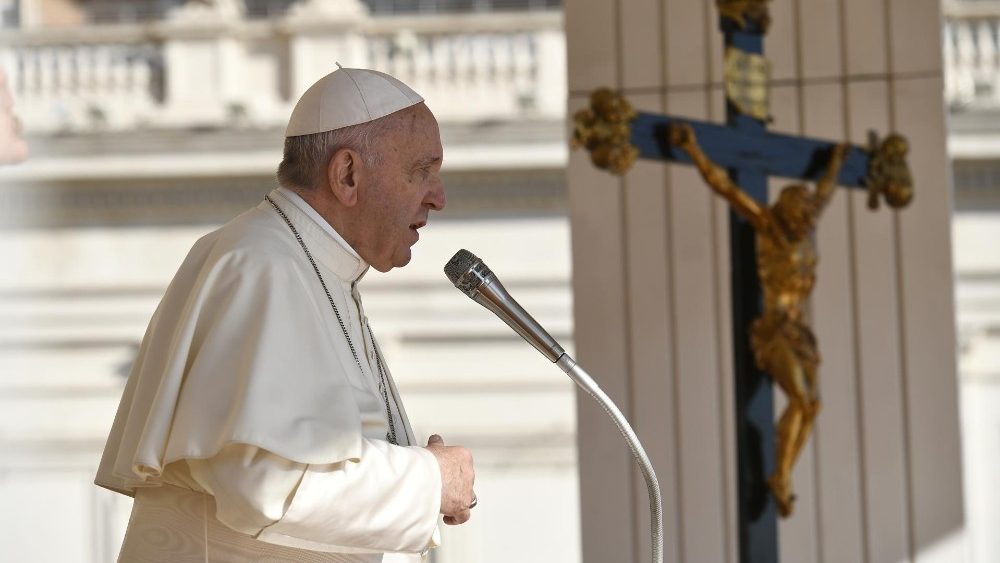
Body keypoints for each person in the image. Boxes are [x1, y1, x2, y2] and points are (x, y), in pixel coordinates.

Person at [95, 66, 476, 562]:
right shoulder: (262, 266)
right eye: (421, 171)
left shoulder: (315, 265)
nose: (439, 197)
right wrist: (428, 481)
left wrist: (419, 469)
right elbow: (267, 486)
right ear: (347, 175)